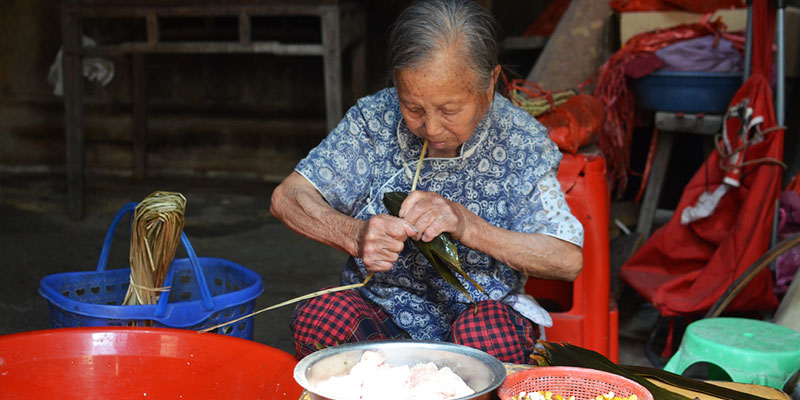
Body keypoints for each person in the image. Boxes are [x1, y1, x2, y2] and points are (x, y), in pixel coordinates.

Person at [270, 0, 583, 364]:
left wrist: (469, 226)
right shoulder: (373, 120)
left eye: (450, 110)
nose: (431, 129)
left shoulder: (522, 140)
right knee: (321, 320)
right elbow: (287, 197)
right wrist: (353, 234)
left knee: (488, 339)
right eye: (413, 108)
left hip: (481, 314)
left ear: (490, 82)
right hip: (383, 310)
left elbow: (566, 258)